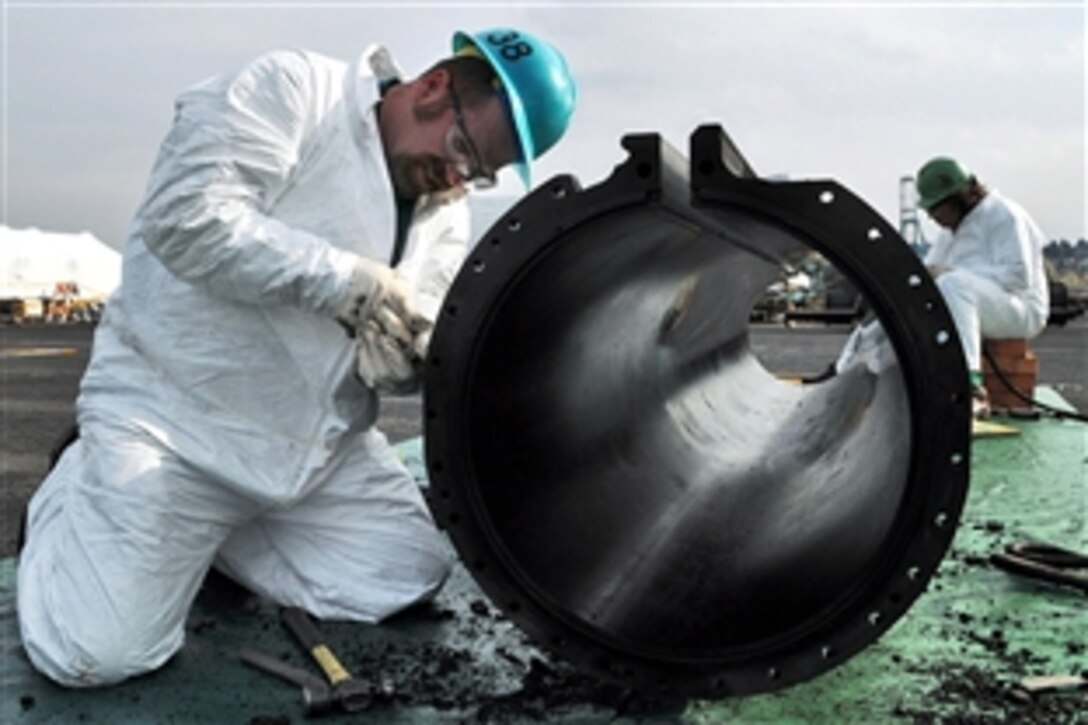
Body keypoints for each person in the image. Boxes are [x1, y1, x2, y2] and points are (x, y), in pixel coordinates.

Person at [17, 27, 576, 687]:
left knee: (407, 573)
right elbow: (185, 218)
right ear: (433, 87)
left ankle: (206, 541)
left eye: (481, 173)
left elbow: (409, 313)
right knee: (96, 652)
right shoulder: (295, 93)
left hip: (309, 454)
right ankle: (76, 490)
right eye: (463, 150)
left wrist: (400, 360)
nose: (460, 178)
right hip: (178, 424)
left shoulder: (444, 211)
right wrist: (344, 282)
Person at [835, 157, 1050, 418]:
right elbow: (926, 279)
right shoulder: (951, 232)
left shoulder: (1004, 215)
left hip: (1021, 308)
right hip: (977, 301)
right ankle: (843, 374)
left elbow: (1018, 277)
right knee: (897, 309)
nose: (931, 216)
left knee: (953, 284)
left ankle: (971, 390)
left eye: (935, 207)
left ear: (959, 197)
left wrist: (951, 274)